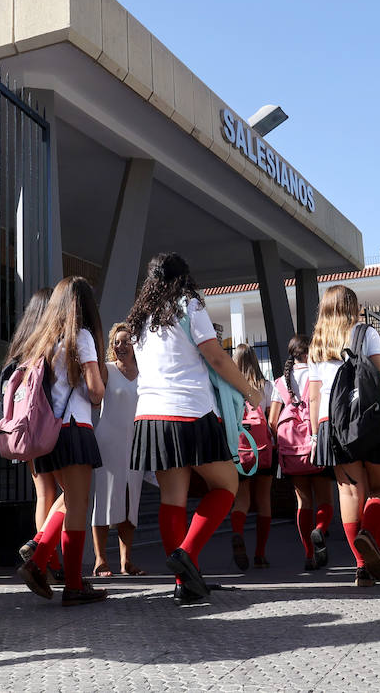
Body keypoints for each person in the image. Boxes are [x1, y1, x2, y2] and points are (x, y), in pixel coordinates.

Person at [126, 253, 264, 604]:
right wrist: (251, 393)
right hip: (190, 411)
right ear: (183, 278)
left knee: (172, 498)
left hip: (151, 414)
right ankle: (187, 553)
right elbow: (216, 356)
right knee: (226, 485)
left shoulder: (142, 319)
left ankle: (183, 582)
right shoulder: (188, 306)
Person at [13, 278, 108, 606]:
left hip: (48, 433)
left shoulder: (41, 339)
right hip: (75, 428)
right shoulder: (80, 336)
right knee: (78, 505)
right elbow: (96, 392)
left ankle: (42, 555)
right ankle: (64, 579)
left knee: (68, 499)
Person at [307, 285, 380, 587]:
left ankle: (361, 568)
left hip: (331, 424)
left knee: (348, 493)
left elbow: (314, 396)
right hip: (367, 418)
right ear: (353, 306)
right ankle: (368, 534)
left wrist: (315, 434)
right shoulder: (365, 333)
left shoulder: (317, 343)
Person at [8, 289, 67, 578]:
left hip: (26, 431)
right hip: (50, 427)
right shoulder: (50, 343)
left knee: (43, 494)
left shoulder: (23, 345)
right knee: (71, 493)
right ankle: (41, 547)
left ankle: (50, 562)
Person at [90, 322, 146, 577]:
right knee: (104, 497)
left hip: (136, 444)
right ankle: (100, 560)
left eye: (126, 341)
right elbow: (93, 397)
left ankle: (126, 561)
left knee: (130, 500)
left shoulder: (146, 372)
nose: (121, 346)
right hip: (108, 441)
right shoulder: (107, 370)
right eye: (117, 342)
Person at [270, 334, 328, 571]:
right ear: (309, 352)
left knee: (303, 502)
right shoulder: (318, 375)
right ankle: (321, 529)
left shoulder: (280, 382)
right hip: (317, 446)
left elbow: (273, 421)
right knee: (325, 499)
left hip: (293, 452)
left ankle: (308, 554)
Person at [228, 344, 275, 572]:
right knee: (264, 500)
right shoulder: (266, 387)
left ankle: (237, 533)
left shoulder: (229, 387)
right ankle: (261, 554)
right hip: (263, 451)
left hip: (240, 451)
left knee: (242, 499)